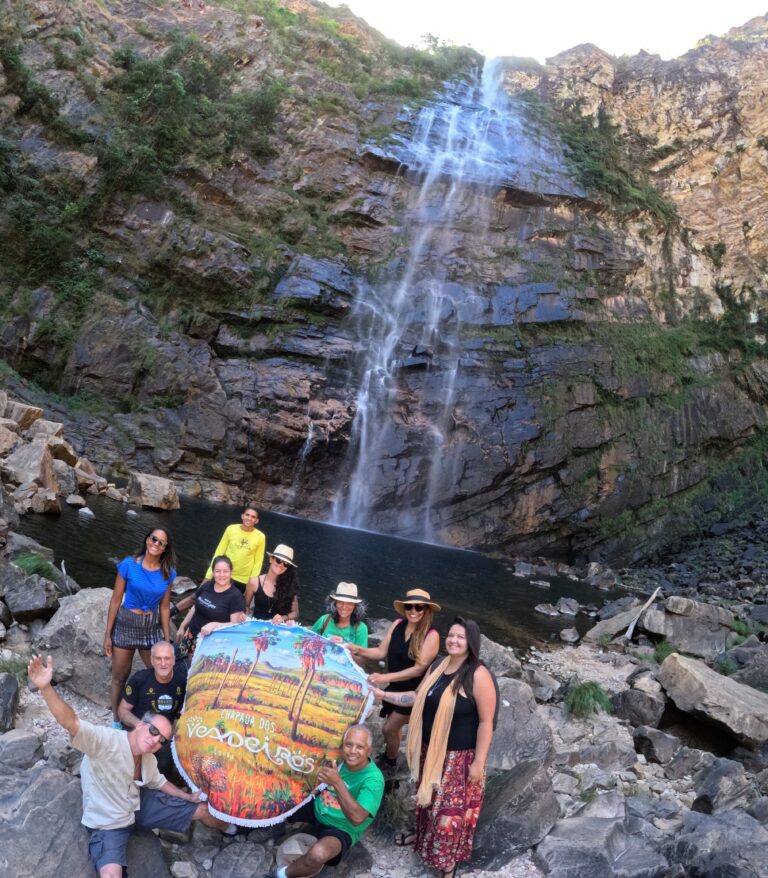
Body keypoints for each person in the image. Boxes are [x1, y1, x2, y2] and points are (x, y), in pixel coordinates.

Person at [27, 654, 236, 878]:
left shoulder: (148, 758)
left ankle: (232, 828)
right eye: (153, 731)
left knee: (203, 809)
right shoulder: (106, 741)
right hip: (110, 823)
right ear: (140, 725)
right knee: (110, 875)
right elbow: (72, 723)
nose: (155, 740)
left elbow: (159, 782)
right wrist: (46, 688)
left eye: (162, 740)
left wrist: (188, 797)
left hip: (139, 806)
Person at [371, 618, 496, 878]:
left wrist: (478, 763)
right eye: (451, 635)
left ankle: (447, 864)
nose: (453, 640)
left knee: (448, 815)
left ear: (471, 642)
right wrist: (384, 695)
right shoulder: (439, 665)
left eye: (460, 637)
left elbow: (486, 722)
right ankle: (422, 838)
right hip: (430, 751)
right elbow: (416, 697)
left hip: (459, 758)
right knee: (427, 802)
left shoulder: (478, 674)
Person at [266, 724, 384, 878]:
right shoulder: (338, 760)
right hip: (318, 807)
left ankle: (280, 874)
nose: (352, 751)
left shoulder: (374, 779)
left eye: (360, 747)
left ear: (369, 751)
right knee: (273, 799)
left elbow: (357, 818)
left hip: (341, 828)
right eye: (349, 745)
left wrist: (337, 782)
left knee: (317, 856)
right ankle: (243, 827)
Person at [347, 588, 440, 773]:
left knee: (388, 728)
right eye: (409, 607)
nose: (413, 611)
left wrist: (384, 677)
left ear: (426, 610)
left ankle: (390, 763)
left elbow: (418, 669)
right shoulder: (397, 624)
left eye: (418, 607)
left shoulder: (432, 635)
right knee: (394, 729)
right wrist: (355, 648)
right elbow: (380, 651)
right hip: (395, 687)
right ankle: (391, 756)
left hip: (414, 693)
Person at [103, 527, 176, 726]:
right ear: (147, 540)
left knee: (160, 673)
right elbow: (115, 600)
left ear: (165, 548)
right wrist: (108, 634)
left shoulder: (168, 572)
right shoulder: (129, 564)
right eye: (154, 539)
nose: (156, 544)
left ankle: (157, 717)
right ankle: (117, 721)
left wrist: (166, 639)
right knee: (119, 678)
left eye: (161, 542)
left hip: (150, 627)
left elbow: (164, 607)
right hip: (126, 623)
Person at [173, 503, 265, 613]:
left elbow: (258, 562)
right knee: (197, 597)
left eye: (253, 517)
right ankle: (168, 614)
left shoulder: (260, 537)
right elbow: (219, 552)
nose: (249, 518)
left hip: (242, 580)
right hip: (222, 573)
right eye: (247, 515)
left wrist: (251, 584)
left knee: (224, 608)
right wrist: (209, 575)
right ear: (242, 516)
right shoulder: (231, 529)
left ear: (257, 521)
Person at [117, 640, 187, 773]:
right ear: (152, 660)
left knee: (165, 764)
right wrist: (140, 725)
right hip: (137, 729)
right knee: (125, 765)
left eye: (167, 658)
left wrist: (172, 732)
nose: (163, 663)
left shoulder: (182, 682)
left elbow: (183, 714)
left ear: (173, 660)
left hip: (162, 737)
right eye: (158, 659)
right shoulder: (139, 679)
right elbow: (122, 710)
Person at [176, 555, 245, 660]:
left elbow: (235, 626)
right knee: (181, 663)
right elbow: (196, 606)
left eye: (225, 571)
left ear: (231, 572)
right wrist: (183, 626)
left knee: (197, 668)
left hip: (210, 645)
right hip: (191, 636)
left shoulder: (235, 596)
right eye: (217, 571)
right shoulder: (207, 585)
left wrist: (215, 625)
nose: (221, 575)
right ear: (213, 572)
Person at [244, 544, 300, 624]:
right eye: (278, 560)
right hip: (256, 626)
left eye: (286, 564)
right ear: (271, 559)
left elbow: (295, 613)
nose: (281, 565)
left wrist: (283, 617)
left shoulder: (289, 585)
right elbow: (246, 606)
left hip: (278, 628)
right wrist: (244, 617)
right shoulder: (254, 582)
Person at [311, 582, 368, 648]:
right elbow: (308, 641)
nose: (344, 607)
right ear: (335, 603)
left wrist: (344, 645)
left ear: (355, 606)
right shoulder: (324, 620)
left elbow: (362, 654)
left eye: (349, 603)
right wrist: (327, 642)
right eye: (340, 602)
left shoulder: (361, 628)